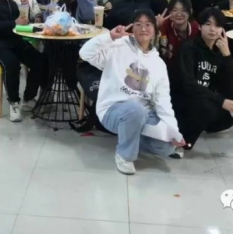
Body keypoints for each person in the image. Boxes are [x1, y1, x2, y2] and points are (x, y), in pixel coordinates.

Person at [80, 10, 186, 174]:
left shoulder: (158, 63)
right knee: (135, 110)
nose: (143, 28)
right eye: (138, 24)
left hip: (144, 113)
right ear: (132, 28)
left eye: (148, 24)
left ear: (155, 31)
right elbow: (85, 53)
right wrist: (110, 37)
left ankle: (129, 136)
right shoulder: (117, 47)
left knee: (166, 147)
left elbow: (163, 101)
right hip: (113, 109)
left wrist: (173, 131)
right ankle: (125, 155)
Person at [170, 8, 233, 150]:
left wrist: (227, 56)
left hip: (207, 101)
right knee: (206, 107)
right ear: (199, 26)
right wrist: (221, 101)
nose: (213, 29)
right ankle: (184, 142)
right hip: (185, 102)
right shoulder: (188, 48)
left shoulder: (219, 52)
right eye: (208, 24)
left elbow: (228, 88)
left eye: (217, 26)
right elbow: (188, 85)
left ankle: (207, 125)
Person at [156, 0, 200, 69]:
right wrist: (155, 29)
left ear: (190, 11)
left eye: (183, 10)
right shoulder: (163, 26)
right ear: (169, 12)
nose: (179, 14)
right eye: (175, 10)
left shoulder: (196, 28)